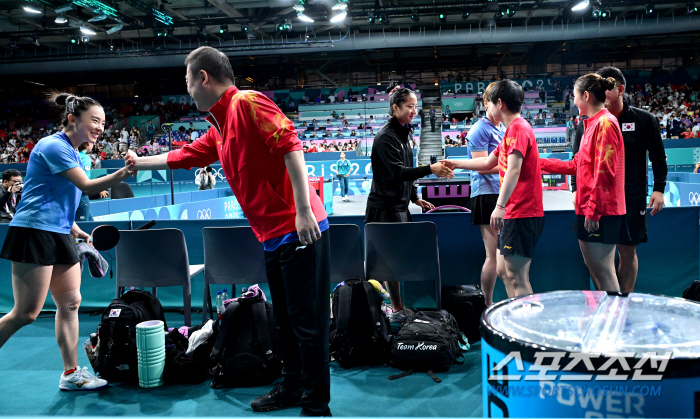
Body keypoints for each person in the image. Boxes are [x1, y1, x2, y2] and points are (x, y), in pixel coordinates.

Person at [124, 47, 331, 417]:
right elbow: (184, 155)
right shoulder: (218, 127)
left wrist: (302, 211)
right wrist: (140, 161)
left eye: (188, 81)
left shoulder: (248, 102)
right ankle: (295, 386)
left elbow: (292, 147)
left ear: (203, 77)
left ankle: (316, 406)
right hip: (271, 236)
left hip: (301, 229)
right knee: (284, 323)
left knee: (307, 324)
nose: (187, 90)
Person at [0, 92, 137, 391]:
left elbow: (54, 196)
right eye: (95, 120)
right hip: (33, 232)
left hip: (59, 232)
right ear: (73, 119)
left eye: (103, 122)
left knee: (71, 303)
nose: (101, 127)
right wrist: (124, 172)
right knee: (26, 313)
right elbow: (86, 187)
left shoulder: (77, 154)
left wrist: (74, 228)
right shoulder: (53, 146)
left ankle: (71, 373)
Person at [441, 80, 544, 298]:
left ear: (499, 103)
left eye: (488, 103)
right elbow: (487, 163)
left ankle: (523, 326)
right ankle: (507, 313)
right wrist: (455, 163)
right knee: (503, 269)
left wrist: (499, 206)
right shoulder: (510, 131)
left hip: (519, 208)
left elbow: (513, 171)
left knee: (516, 275)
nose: (486, 107)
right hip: (510, 205)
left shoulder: (517, 129)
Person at [572, 67, 667, 292]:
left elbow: (658, 157)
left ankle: (623, 302)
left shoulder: (645, 120)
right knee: (598, 259)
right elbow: (579, 162)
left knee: (627, 251)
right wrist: (576, 190)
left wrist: (659, 188)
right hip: (600, 198)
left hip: (631, 197)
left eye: (608, 85)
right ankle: (606, 302)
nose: (602, 89)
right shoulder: (586, 123)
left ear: (620, 89)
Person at [365, 85, 454, 323]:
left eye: (416, 106)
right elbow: (397, 172)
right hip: (384, 208)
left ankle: (388, 304)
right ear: (395, 107)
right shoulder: (386, 137)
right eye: (409, 106)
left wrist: (414, 197)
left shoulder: (405, 133)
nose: (414, 111)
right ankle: (396, 308)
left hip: (399, 206)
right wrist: (430, 169)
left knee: (394, 259)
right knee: (389, 262)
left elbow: (407, 172)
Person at [541, 74, 629, 292]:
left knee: (604, 272)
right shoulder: (590, 124)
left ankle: (615, 323)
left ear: (586, 96)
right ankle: (605, 320)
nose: (573, 101)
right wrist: (538, 162)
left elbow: (605, 172)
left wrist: (593, 210)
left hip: (601, 211)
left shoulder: (606, 124)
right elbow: (576, 165)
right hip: (589, 208)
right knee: (596, 272)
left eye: (574, 96)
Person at [464, 83, 508, 306]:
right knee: (493, 255)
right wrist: (512, 165)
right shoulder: (479, 130)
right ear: (486, 104)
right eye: (497, 102)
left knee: (505, 254)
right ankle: (487, 304)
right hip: (486, 195)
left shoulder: (501, 127)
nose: (501, 107)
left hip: (501, 193)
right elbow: (481, 166)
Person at [75, 142, 109, 222]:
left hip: (74, 196)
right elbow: (85, 181)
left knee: (91, 224)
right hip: (81, 198)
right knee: (83, 226)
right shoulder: (85, 158)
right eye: (92, 143)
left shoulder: (75, 155)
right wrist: (97, 190)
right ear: (87, 144)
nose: (93, 145)